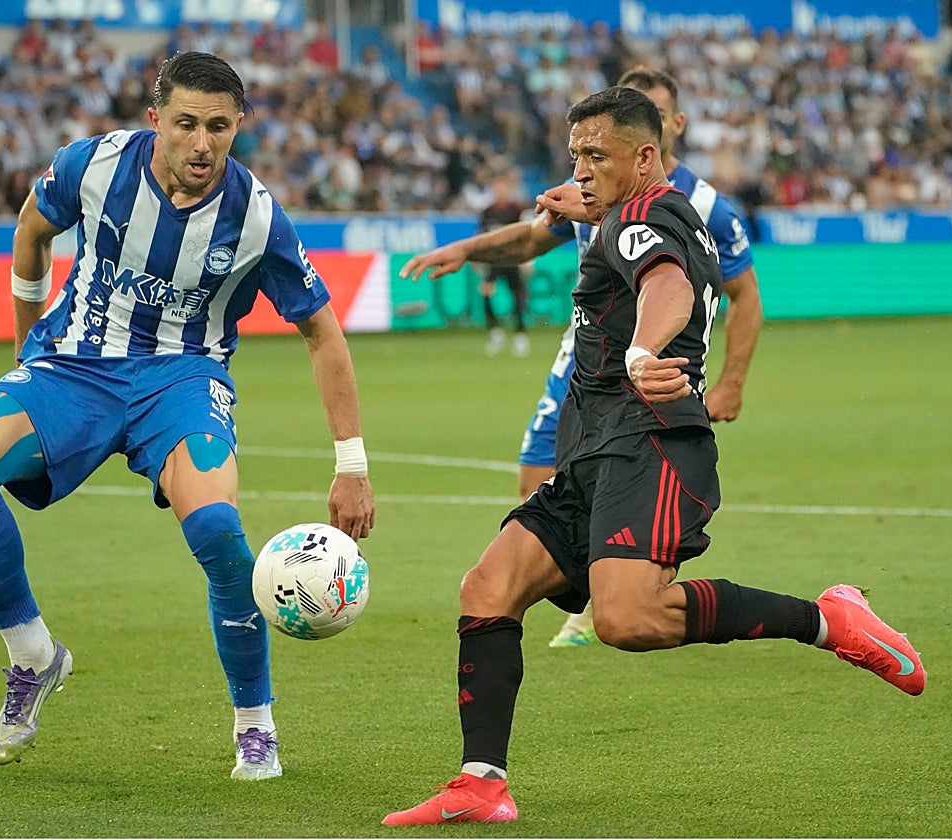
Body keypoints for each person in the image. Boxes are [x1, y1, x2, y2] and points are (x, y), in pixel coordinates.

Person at [381, 86, 924, 827]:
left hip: (650, 444)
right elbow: (596, 237)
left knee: (628, 619)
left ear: (645, 156)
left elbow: (664, 282)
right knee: (487, 587)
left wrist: (642, 348)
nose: (581, 169)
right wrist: (518, 234)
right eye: (575, 155)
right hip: (594, 448)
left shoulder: (648, 213)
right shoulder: (620, 212)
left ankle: (827, 619)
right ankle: (482, 782)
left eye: (596, 156)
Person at [0, 52, 375, 781]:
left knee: (216, 530)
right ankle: (33, 657)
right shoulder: (94, 167)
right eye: (187, 124)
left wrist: (351, 464)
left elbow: (322, 329)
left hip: (182, 378)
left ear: (240, 127)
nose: (203, 143)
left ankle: (255, 728)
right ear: (156, 121)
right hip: (74, 366)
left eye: (220, 127)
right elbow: (30, 231)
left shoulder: (256, 216)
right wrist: (24, 352)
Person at [399, 67, 764, 647]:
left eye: (657, 107)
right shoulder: (591, 180)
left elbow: (734, 294)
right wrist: (467, 250)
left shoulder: (701, 205)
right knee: (533, 482)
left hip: (647, 381)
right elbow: (532, 237)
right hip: (579, 370)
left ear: (671, 126)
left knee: (624, 517)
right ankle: (600, 591)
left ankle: (621, 596)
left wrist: (730, 379)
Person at [477, 167, 532, 357]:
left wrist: (527, 259)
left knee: (517, 298)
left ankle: (520, 336)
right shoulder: (487, 212)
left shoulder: (516, 210)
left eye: (502, 188)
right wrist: (478, 259)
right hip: (494, 260)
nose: (499, 191)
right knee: (485, 293)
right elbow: (481, 237)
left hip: (513, 259)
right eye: (496, 188)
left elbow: (527, 234)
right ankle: (495, 332)